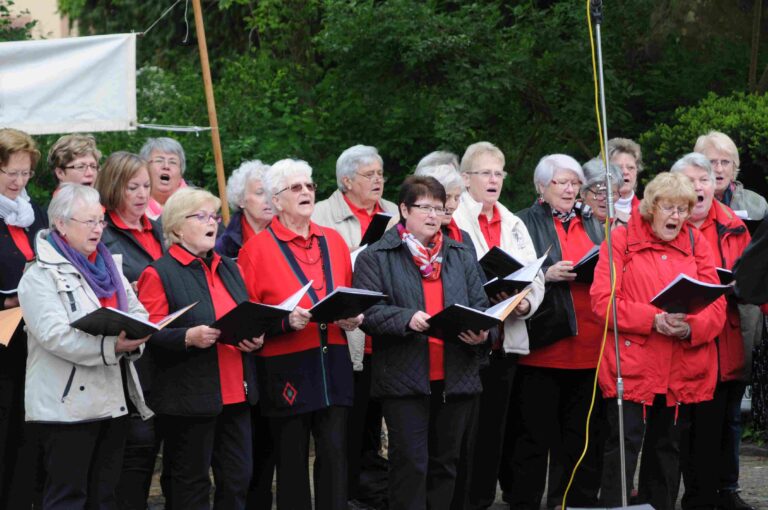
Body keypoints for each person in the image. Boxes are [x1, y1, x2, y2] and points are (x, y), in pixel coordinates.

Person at [354, 175, 493, 510]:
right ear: (404, 209)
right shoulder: (376, 255)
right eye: (425, 207)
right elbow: (367, 313)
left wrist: (485, 333)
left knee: (446, 464)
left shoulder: (460, 252)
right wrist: (406, 318)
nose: (433, 215)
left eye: (439, 208)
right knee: (410, 465)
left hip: (456, 375)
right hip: (405, 379)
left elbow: (483, 306)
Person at [591, 172, 726, 510]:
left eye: (683, 209)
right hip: (632, 365)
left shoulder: (698, 243)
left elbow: (717, 305)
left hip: (680, 368)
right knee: (622, 449)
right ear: (651, 208)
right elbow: (602, 302)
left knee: (667, 451)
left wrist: (691, 327)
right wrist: (651, 320)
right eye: (669, 208)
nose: (676, 217)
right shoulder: (620, 240)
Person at [18, 184, 152, 509]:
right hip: (66, 407)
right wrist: (112, 347)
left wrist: (137, 337)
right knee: (67, 498)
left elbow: (138, 313)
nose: (98, 229)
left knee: (104, 496)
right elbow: (54, 336)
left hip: (113, 399)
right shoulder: (39, 275)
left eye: (101, 221)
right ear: (61, 224)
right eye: (89, 221)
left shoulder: (110, 266)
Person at [239, 158, 361, 510]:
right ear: (276, 201)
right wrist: (282, 323)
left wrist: (351, 316)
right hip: (286, 365)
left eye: (309, 185)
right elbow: (248, 319)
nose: (306, 192)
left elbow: (346, 293)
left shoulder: (334, 241)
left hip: (333, 359)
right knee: (290, 460)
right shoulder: (255, 250)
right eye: (296, 187)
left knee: (336, 454)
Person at [137, 187, 262, 510]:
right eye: (201, 216)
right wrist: (186, 337)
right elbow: (148, 334)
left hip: (236, 391)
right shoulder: (159, 272)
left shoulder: (228, 267)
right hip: (188, 397)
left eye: (214, 216)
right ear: (177, 227)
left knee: (238, 479)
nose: (213, 223)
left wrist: (255, 336)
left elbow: (244, 314)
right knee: (189, 484)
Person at [450, 141, 544, 509]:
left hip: (506, 341)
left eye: (498, 173)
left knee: (494, 431)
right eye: (485, 173)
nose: (493, 180)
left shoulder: (513, 221)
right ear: (465, 178)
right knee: (463, 434)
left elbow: (534, 275)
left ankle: (484, 498)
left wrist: (525, 303)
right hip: (467, 340)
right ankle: (463, 499)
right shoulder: (454, 218)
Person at [512, 154, 604, 509]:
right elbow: (512, 272)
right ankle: (526, 502)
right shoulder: (522, 222)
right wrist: (546, 275)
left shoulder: (595, 221)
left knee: (582, 439)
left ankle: (574, 502)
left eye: (574, 183)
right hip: (544, 346)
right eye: (561, 182)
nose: (569, 189)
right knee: (533, 439)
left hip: (591, 347)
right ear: (541, 186)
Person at [671, 153, 760, 510]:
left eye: (704, 180)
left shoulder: (735, 225)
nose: (698, 187)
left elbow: (753, 276)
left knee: (726, 422)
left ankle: (726, 491)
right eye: (690, 181)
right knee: (692, 431)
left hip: (729, 339)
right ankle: (698, 496)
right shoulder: (669, 224)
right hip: (687, 344)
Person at [312, 144, 397, 508]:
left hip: (388, 331)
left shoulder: (394, 212)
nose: (377, 180)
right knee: (349, 421)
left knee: (379, 418)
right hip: (346, 334)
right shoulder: (320, 216)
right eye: (369, 174)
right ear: (346, 180)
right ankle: (346, 493)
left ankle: (373, 489)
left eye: (380, 173)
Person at [94, 151, 165, 510]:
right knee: (132, 449)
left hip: (164, 348)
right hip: (125, 354)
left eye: (146, 186)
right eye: (132, 186)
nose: (141, 194)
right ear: (112, 186)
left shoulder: (159, 229)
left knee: (154, 449)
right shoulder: (101, 232)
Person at [0, 128, 47, 508]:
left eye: (25, 173)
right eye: (10, 174)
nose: (18, 182)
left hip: (30, 342)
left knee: (26, 435)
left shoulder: (33, 216)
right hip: (1, 339)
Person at [694, 131, 768, 220]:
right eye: (712, 162)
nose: (719, 169)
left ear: (733, 166)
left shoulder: (758, 205)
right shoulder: (684, 203)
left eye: (725, 162)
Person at [216, 160, 273, 259]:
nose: (268, 199)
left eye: (271, 192)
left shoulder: (290, 232)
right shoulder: (225, 246)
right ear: (241, 200)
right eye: (260, 193)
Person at [139, 137, 188, 220]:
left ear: (181, 172)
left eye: (173, 162)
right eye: (159, 160)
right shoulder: (129, 206)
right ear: (144, 168)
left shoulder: (198, 205)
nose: (166, 166)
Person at [580, 156, 626, 233]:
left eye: (611, 193)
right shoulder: (566, 220)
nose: (606, 198)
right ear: (583, 193)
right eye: (600, 192)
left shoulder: (630, 223)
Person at [607, 137, 643, 216]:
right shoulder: (592, 210)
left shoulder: (647, 212)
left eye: (631, 167)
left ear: (637, 171)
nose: (625, 172)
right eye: (618, 168)